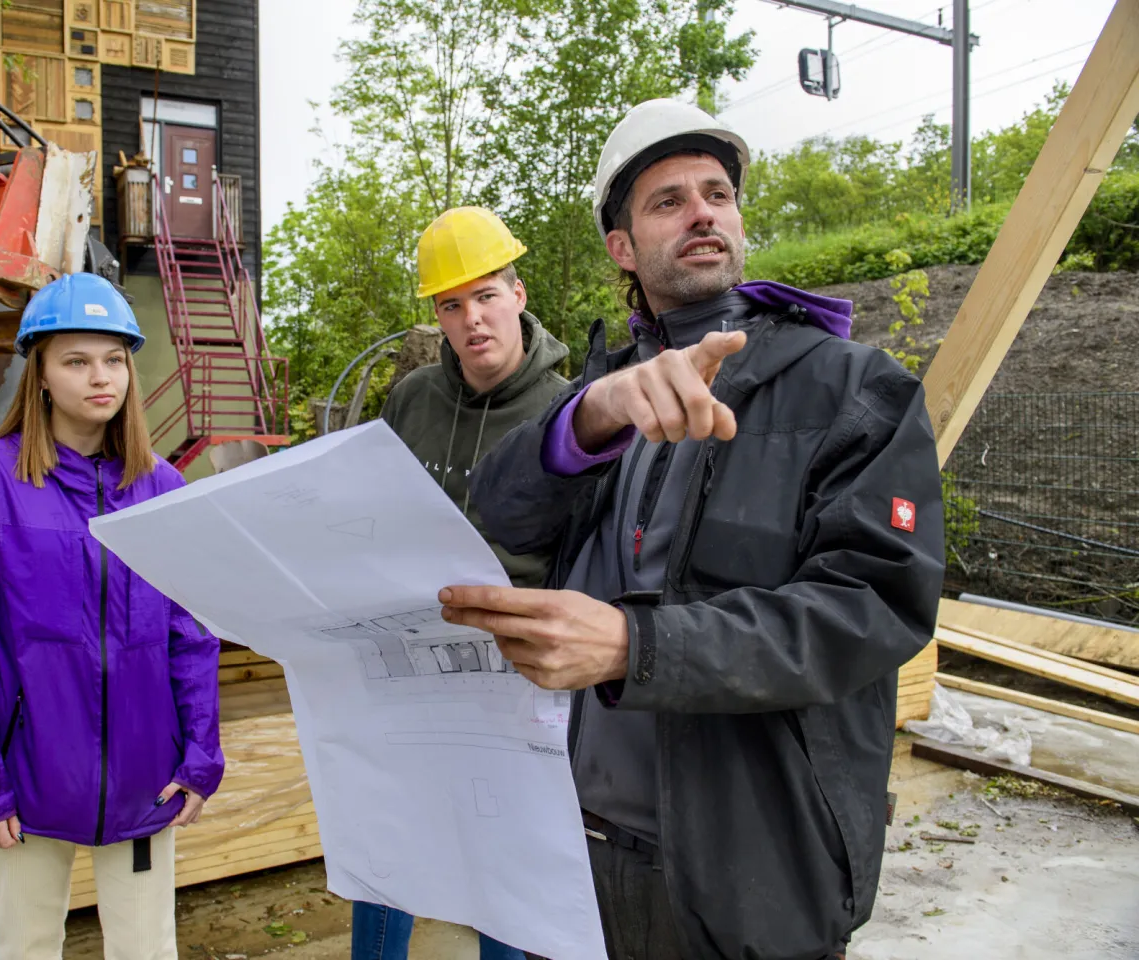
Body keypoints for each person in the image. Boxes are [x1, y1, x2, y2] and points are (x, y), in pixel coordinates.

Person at [439, 99, 945, 960]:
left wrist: (636, 647)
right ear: (623, 248)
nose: (703, 210)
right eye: (668, 200)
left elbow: (871, 609)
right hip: (581, 853)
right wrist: (590, 416)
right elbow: (503, 506)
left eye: (717, 192)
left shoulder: (853, 388)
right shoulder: (609, 388)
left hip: (752, 873)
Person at [0, 272, 224, 960]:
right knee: (28, 947)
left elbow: (191, 634)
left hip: (146, 776)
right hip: (24, 779)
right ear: (40, 374)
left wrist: (201, 756)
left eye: (115, 359)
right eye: (76, 360)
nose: (102, 377)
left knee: (146, 949)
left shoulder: (162, 487)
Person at [352, 206, 570, 960]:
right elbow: (376, 519)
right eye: (452, 304)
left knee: (501, 864)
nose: (472, 318)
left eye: (485, 295)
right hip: (409, 666)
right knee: (388, 849)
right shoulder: (412, 400)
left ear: (517, 291)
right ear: (438, 315)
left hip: (514, 676)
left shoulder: (564, 413)